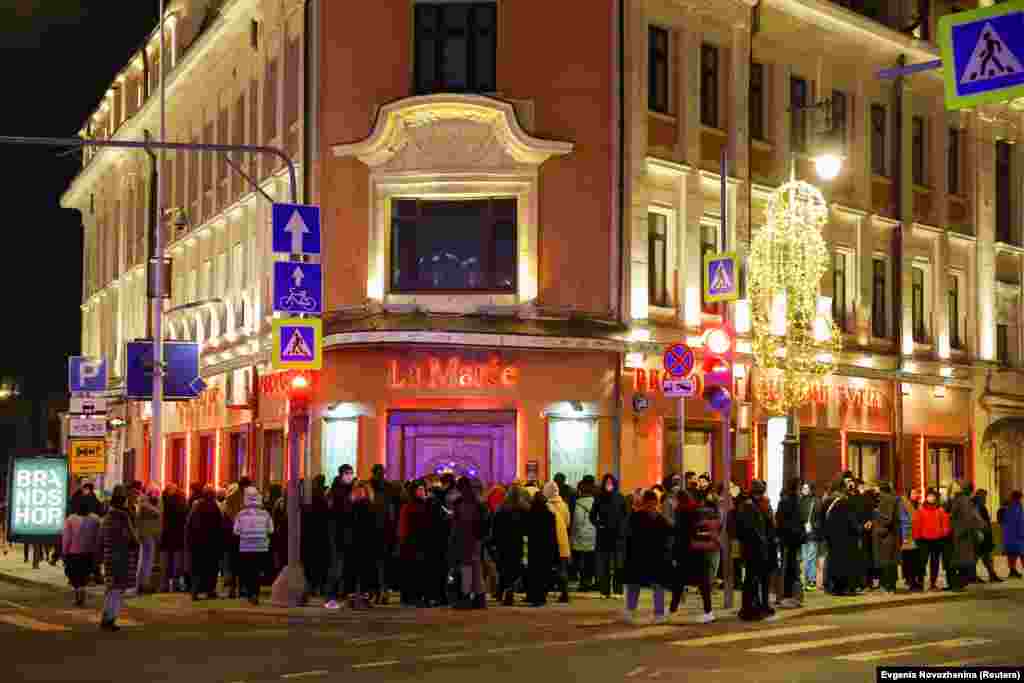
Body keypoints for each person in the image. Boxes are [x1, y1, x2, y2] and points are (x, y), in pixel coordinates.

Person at [622, 490, 673, 624]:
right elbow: (668, 537)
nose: (651, 507)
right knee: (654, 585)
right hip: (654, 557)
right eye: (649, 504)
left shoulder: (636, 517)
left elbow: (628, 536)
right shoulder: (661, 519)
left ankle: (632, 611)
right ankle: (658, 613)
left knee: (637, 585)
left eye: (652, 504)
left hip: (640, 556)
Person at [670, 487, 715, 623]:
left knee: (679, 582)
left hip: (686, 552)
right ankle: (708, 611)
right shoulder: (696, 510)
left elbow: (680, 535)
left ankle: (673, 609)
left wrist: (674, 553)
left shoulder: (681, 512)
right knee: (702, 583)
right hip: (698, 551)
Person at [99, 485, 138, 632]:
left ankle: (106, 617)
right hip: (121, 556)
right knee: (117, 589)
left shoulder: (107, 517)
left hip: (109, 556)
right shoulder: (124, 517)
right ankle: (110, 618)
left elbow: (101, 538)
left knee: (111, 589)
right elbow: (132, 538)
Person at [736, 480, 775, 620]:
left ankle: (757, 606)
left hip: (760, 547)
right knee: (751, 579)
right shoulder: (749, 506)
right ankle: (749, 609)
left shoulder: (759, 504)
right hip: (754, 549)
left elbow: (767, 526)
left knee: (758, 578)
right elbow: (751, 530)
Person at [450, 477, 490, 609]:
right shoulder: (478, 502)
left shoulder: (460, 503)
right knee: (476, 569)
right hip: (476, 540)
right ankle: (480, 598)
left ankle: (466, 598)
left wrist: (454, 539)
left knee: (466, 569)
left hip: (465, 540)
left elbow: (457, 525)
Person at [590, 474, 629, 598]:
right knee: (604, 564)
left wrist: (622, 529)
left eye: (610, 482)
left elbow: (626, 515)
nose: (608, 485)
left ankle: (617, 590)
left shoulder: (620, 498)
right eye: (606, 482)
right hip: (603, 535)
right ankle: (604, 590)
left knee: (618, 564)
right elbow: (592, 515)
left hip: (618, 536)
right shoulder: (599, 498)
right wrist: (598, 525)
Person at [823, 477, 862, 598]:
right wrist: (860, 530)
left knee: (832, 562)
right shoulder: (844, 501)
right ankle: (843, 588)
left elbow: (822, 519)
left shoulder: (827, 500)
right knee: (845, 564)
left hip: (831, 537)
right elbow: (851, 521)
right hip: (845, 538)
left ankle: (832, 587)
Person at [234, 486, 273, 605]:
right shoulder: (265, 514)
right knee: (257, 571)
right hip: (261, 547)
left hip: (246, 547)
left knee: (248, 570)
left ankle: (250, 593)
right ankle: (256, 593)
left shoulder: (241, 514)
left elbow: (236, 531)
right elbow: (271, 530)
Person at [323, 465, 355, 609]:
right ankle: (330, 597)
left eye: (351, 473)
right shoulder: (335, 491)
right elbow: (335, 513)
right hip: (337, 533)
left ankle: (340, 596)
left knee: (343, 568)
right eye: (347, 474)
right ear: (341, 475)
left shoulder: (351, 489)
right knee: (336, 567)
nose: (350, 476)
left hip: (347, 534)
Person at [491, 485, 529, 606]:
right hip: (516, 542)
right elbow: (526, 528)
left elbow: (495, 528)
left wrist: (494, 542)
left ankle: (502, 590)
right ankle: (509, 590)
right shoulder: (523, 510)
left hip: (503, 543)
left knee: (503, 567)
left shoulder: (501, 509)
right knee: (513, 568)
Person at [344, 482, 379, 610]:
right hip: (353, 543)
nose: (359, 493)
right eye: (357, 491)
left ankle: (364, 597)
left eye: (362, 491)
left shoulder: (370, 507)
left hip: (366, 543)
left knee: (366, 571)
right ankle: (353, 597)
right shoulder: (350, 506)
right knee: (352, 571)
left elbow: (375, 526)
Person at [397, 480, 432, 607]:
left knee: (422, 570)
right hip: (411, 542)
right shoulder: (408, 506)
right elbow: (403, 525)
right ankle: (410, 597)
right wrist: (402, 540)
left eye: (423, 489)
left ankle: (420, 596)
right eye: (419, 490)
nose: (422, 492)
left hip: (424, 542)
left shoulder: (428, 505)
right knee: (411, 570)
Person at [62, 496, 101, 607]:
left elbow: (66, 538)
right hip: (89, 553)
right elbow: (98, 538)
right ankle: (81, 594)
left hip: (73, 553)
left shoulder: (71, 519)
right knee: (85, 575)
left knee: (75, 575)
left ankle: (78, 594)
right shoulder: (95, 519)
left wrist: (64, 552)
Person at [187, 487, 225, 601]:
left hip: (198, 543)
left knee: (197, 568)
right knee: (211, 569)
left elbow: (189, 525)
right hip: (211, 544)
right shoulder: (215, 507)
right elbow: (220, 526)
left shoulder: (197, 506)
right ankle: (210, 590)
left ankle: (195, 591)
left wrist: (190, 541)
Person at [948, 480, 984, 592]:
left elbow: (965, 518)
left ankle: (957, 584)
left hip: (960, 535)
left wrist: (960, 531)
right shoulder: (962, 500)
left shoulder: (961, 500)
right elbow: (968, 518)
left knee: (960, 562)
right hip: (961, 535)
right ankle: (957, 584)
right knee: (962, 562)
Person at [775, 478, 806, 607]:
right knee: (791, 567)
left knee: (789, 567)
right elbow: (799, 520)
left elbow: (779, 520)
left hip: (788, 539)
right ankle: (790, 596)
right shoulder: (796, 502)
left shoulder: (787, 501)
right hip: (792, 539)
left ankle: (789, 596)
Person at [913, 487, 950, 591]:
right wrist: (917, 537)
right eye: (929, 496)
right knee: (921, 562)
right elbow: (917, 524)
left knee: (935, 563)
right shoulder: (921, 510)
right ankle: (920, 582)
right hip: (923, 540)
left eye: (933, 496)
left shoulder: (940, 510)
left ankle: (933, 583)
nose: (931, 498)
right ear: (926, 497)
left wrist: (943, 534)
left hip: (937, 540)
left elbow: (945, 524)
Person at [526, 491, 558, 607]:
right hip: (546, 547)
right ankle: (542, 596)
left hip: (534, 547)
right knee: (544, 572)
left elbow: (527, 531)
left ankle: (534, 596)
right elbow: (553, 534)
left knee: (534, 572)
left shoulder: (530, 514)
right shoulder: (550, 515)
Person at [302, 474, 331, 598]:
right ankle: (317, 587)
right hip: (320, 535)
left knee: (312, 563)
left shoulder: (310, 498)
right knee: (319, 563)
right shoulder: (323, 498)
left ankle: (313, 587)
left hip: (312, 534)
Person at [543, 481, 572, 603]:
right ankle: (565, 593)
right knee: (562, 568)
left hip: (550, 541)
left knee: (546, 568)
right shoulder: (563, 505)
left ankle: (544, 592)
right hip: (563, 539)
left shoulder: (546, 506)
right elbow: (567, 522)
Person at [872, 482, 901, 593]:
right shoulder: (891, 499)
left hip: (886, 535)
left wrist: (876, 513)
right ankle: (890, 585)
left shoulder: (886, 500)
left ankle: (888, 586)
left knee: (886, 562)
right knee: (890, 562)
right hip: (889, 535)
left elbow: (887, 519)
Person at [571, 478, 598, 592]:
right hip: (593, 536)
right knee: (590, 561)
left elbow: (577, 521)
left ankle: (583, 583)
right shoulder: (596, 502)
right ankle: (589, 581)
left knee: (581, 561)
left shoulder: (579, 504)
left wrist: (573, 535)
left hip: (581, 536)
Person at [160, 484, 188, 592]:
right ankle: (175, 585)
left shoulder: (162, 501)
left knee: (165, 563)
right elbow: (184, 516)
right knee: (176, 562)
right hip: (177, 535)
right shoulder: (180, 502)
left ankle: (164, 585)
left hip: (166, 535)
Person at [135, 486, 161, 594]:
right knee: (147, 560)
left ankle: (142, 583)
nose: (156, 496)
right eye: (155, 493)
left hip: (147, 534)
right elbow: (156, 512)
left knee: (145, 560)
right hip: (146, 534)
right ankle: (143, 584)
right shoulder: (144, 501)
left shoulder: (145, 502)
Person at [972, 489, 1002, 583]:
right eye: (983, 497)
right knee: (975, 557)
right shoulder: (975, 507)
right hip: (979, 535)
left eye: (985, 497)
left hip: (985, 535)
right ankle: (973, 576)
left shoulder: (982, 507)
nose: (985, 499)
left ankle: (992, 574)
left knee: (987, 557)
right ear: (978, 497)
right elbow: (978, 521)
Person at [899, 490, 923, 591]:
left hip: (918, 535)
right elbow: (904, 521)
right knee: (909, 560)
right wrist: (904, 537)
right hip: (908, 536)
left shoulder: (919, 505)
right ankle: (910, 581)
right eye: (913, 493)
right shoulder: (904, 504)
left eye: (916, 493)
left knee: (916, 560)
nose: (915, 495)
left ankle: (915, 580)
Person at [800, 482, 820, 591]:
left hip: (811, 534)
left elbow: (819, 518)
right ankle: (810, 580)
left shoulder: (814, 502)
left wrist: (812, 526)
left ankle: (810, 580)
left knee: (809, 558)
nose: (804, 489)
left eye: (806, 488)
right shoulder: (804, 501)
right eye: (803, 488)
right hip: (807, 534)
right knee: (808, 558)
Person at [1003, 490, 1024, 579]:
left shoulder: (1012, 507)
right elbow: (1018, 522)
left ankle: (1012, 570)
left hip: (1011, 535)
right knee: (1017, 554)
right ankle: (1012, 571)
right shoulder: (1014, 508)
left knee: (1012, 554)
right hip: (1016, 535)